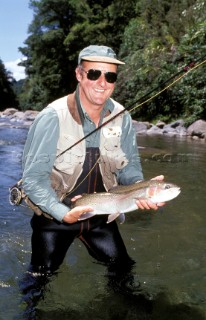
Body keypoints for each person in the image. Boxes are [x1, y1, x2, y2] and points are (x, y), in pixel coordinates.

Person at [21, 45, 164, 299]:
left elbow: (129, 167)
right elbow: (32, 180)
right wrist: (65, 215)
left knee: (124, 273)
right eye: (94, 74)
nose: (102, 82)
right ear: (79, 74)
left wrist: (141, 188)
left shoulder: (122, 117)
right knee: (38, 283)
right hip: (55, 218)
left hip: (102, 214)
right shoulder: (52, 117)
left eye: (110, 76)